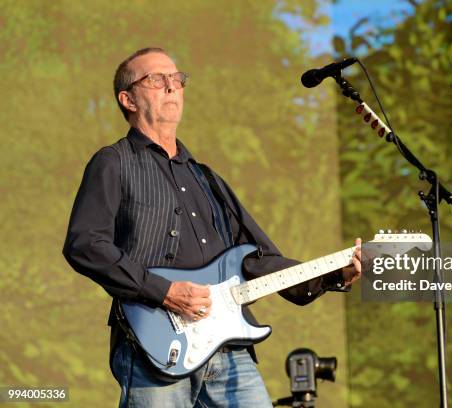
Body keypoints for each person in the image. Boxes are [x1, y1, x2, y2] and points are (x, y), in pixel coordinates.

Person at [63, 47, 362, 408]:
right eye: (156, 79)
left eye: (177, 79)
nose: (172, 87)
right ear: (127, 99)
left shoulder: (206, 178)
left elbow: (259, 259)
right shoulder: (113, 162)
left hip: (230, 349)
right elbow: (85, 243)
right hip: (154, 349)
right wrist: (163, 291)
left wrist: (332, 274)